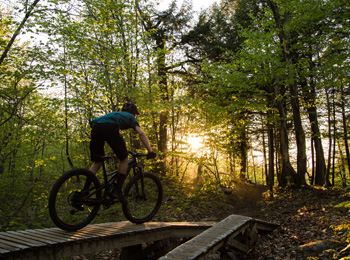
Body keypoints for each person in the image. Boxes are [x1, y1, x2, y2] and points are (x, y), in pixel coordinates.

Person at [88, 102, 156, 203]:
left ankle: (84, 191)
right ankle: (117, 190)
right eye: (135, 114)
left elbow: (105, 129)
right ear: (133, 113)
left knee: (98, 162)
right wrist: (150, 151)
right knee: (124, 158)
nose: (135, 116)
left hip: (95, 127)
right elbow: (141, 133)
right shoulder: (131, 117)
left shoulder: (115, 114)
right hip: (110, 128)